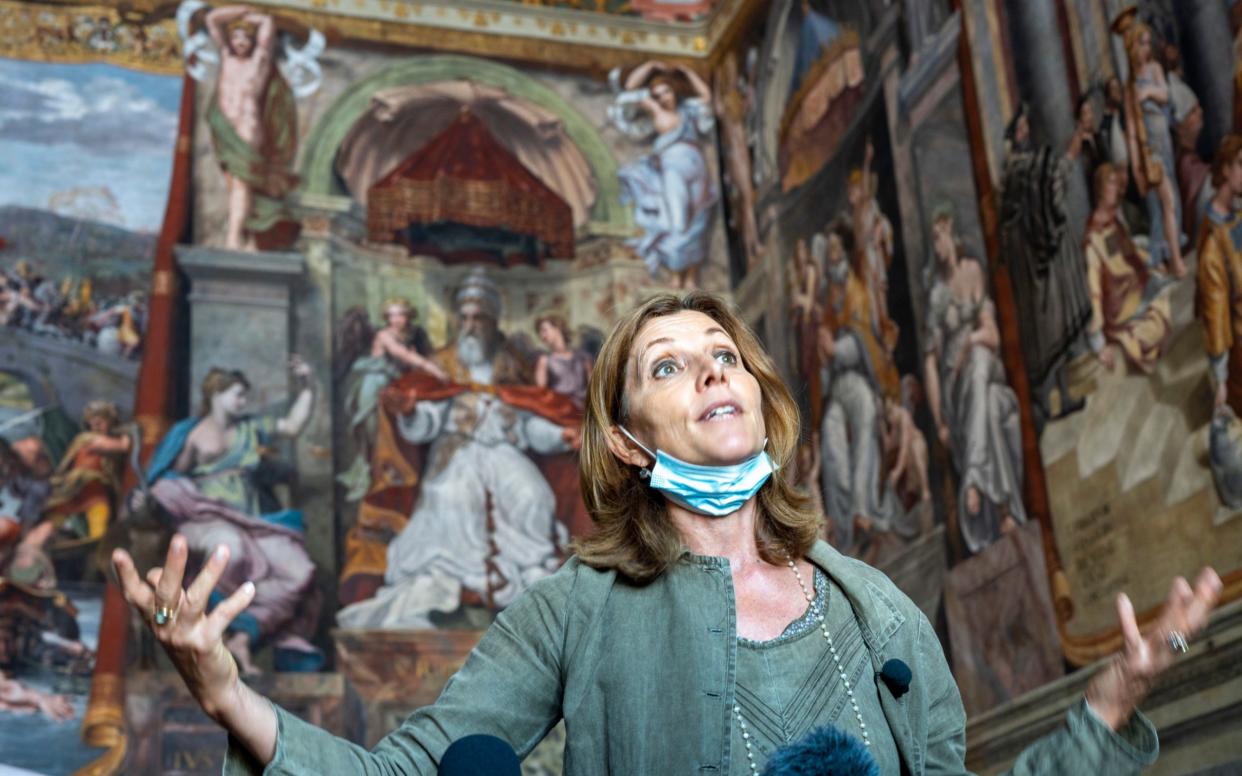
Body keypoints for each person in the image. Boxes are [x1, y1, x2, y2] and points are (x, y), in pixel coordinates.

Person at [114, 292, 1222, 774]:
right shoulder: (568, 610)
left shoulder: (875, 607)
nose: (709, 369)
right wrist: (227, 692)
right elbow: (406, 769)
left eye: (722, 353)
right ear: (631, 442)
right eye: (667, 364)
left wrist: (1113, 701)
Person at [335, 271, 582, 629]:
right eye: (464, 318)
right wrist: (411, 412)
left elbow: (529, 424)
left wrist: (561, 437)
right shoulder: (442, 364)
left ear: (493, 321)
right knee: (451, 497)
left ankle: (527, 580)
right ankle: (447, 586)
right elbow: (429, 419)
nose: (470, 326)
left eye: (478, 318)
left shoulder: (512, 366)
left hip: (504, 451)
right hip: (457, 452)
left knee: (534, 495)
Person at [141, 359, 321, 674]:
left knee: (299, 569)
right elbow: (168, 477)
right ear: (216, 394)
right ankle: (222, 638)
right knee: (229, 552)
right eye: (238, 395)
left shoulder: (250, 428)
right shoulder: (193, 435)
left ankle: (244, 634)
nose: (243, 402)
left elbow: (292, 426)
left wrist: (308, 385)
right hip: (206, 517)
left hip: (253, 522)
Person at [923, 206, 1026, 553]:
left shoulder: (973, 272)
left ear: (951, 234)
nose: (937, 245)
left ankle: (975, 478)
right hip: (957, 388)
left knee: (981, 361)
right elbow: (931, 364)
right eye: (932, 239)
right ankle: (1005, 512)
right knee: (999, 408)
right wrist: (939, 421)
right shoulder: (936, 295)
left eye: (939, 236)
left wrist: (969, 341)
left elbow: (992, 335)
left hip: (982, 363)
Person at [609, 60, 718, 288]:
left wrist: (687, 71)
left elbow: (706, 97)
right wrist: (649, 66)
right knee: (678, 222)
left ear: (674, 91)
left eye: (666, 91)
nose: (663, 98)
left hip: (696, 166)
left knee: (698, 216)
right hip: (673, 169)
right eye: (657, 95)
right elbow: (628, 91)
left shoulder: (688, 110)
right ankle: (677, 275)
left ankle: (692, 276)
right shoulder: (654, 112)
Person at [205, 4, 298, 251]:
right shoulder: (226, 57)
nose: (240, 41)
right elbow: (213, 19)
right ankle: (250, 237)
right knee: (237, 185)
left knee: (241, 185)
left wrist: (251, 18)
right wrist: (242, 12)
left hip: (247, 130)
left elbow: (267, 23)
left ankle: (234, 236)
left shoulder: (259, 62)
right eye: (235, 36)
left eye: (246, 36)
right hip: (225, 130)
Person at [1116, 11, 1186, 277]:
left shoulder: (1155, 70)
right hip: (1150, 150)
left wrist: (1149, 93)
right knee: (1168, 201)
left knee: (1167, 203)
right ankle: (1177, 262)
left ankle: (1161, 257)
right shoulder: (1129, 86)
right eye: (1142, 43)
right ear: (1133, 47)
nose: (1147, 48)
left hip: (1164, 144)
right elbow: (1132, 131)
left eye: (1148, 42)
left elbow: (1166, 95)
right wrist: (1136, 168)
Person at [1084, 164, 1173, 374]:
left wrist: (1150, 261)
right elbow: (1094, 287)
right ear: (1100, 189)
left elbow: (1127, 252)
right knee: (1154, 327)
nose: (1118, 189)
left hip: (1134, 289)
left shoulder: (1113, 222)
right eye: (1111, 183)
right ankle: (1133, 336)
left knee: (1163, 298)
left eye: (1117, 183)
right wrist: (1097, 339)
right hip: (1120, 307)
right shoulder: (1092, 239)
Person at [1197, 135, 1242, 417]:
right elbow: (1216, 316)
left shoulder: (1236, 215)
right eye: (1241, 165)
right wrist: (1220, 379)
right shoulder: (1213, 245)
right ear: (1225, 169)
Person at [533, 313, 592, 409]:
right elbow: (541, 394)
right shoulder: (544, 361)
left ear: (557, 328)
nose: (541, 335)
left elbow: (593, 390)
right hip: (560, 412)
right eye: (539, 332)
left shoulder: (583, 358)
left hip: (584, 410)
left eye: (544, 330)